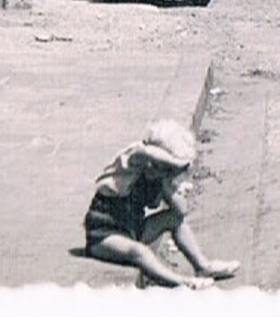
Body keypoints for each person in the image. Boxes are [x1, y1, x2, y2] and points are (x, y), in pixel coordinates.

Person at [82, 119, 240, 290]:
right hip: (103, 236)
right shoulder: (130, 164)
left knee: (174, 219)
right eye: (159, 166)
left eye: (165, 169)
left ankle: (203, 266)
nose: (157, 170)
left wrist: (168, 182)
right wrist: (174, 162)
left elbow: (181, 210)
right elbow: (145, 152)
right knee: (139, 252)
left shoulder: (159, 178)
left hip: (133, 230)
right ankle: (180, 282)